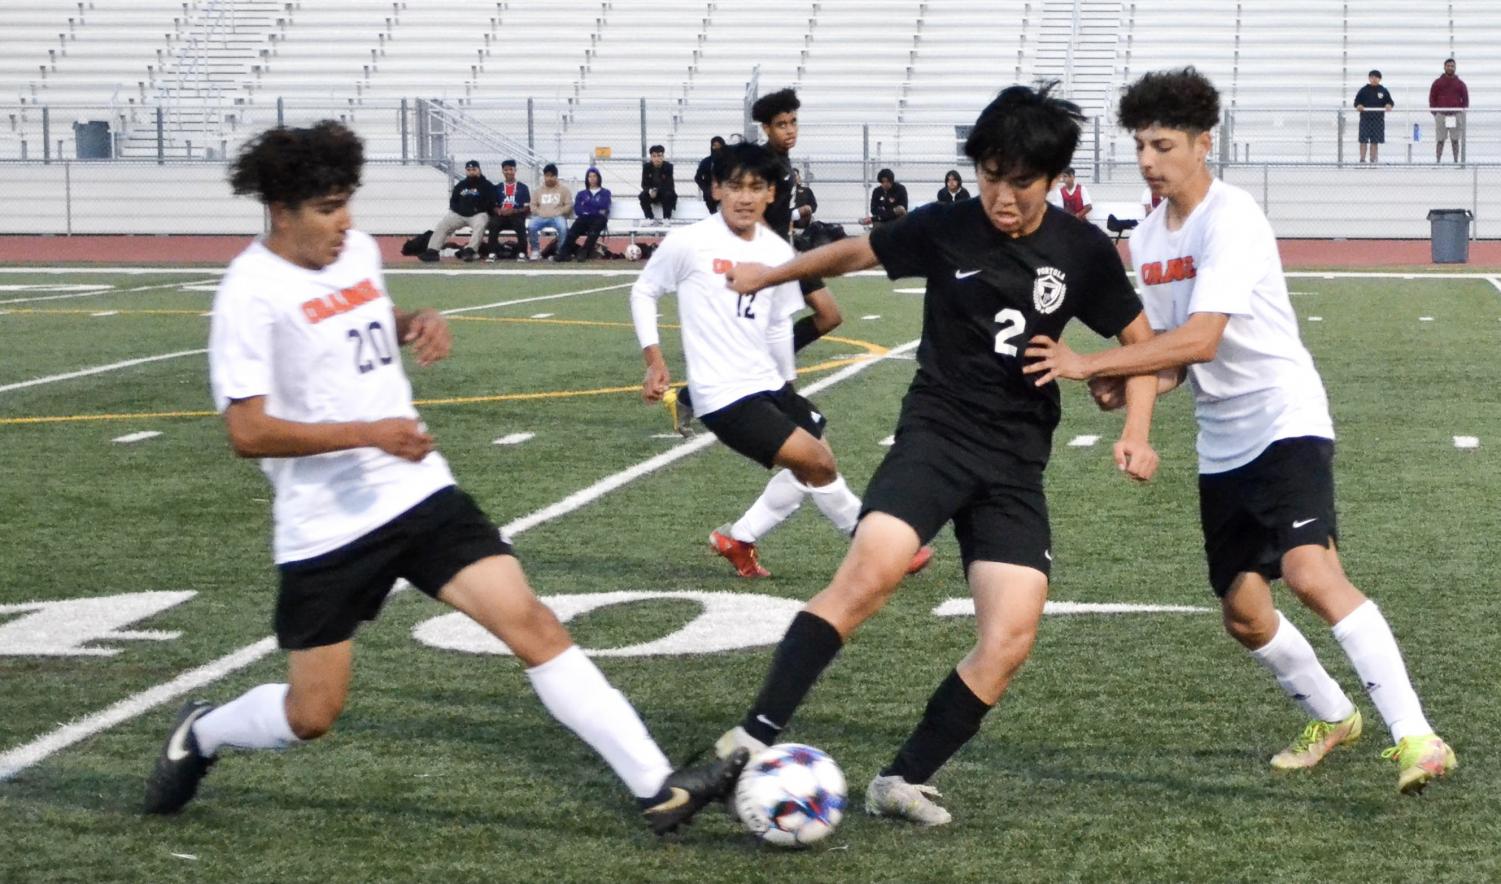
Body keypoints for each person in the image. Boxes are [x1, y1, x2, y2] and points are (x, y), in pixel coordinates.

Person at [143, 121, 747, 831]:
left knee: (529, 620)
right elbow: (247, 431)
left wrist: (412, 320)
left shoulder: (357, 251)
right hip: (327, 526)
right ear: (281, 210)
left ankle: (657, 787)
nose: (347, 222)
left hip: (417, 489)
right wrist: (367, 432)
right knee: (312, 715)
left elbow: (359, 317)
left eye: (348, 203)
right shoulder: (249, 293)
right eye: (328, 208)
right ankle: (204, 732)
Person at [716, 83, 1161, 825]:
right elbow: (857, 249)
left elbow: (1143, 351)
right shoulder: (949, 225)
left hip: (1015, 464)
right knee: (872, 570)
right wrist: (768, 274)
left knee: (1011, 635)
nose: (1002, 196)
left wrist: (1126, 415)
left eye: (1020, 182)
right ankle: (752, 734)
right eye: (990, 176)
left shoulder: (1081, 249)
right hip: (937, 437)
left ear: (1053, 181)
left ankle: (903, 779)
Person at [1023, 67, 1457, 795]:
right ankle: (1332, 716)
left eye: (1161, 144)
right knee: (1244, 613)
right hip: (1222, 437)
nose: (1147, 160)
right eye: (1139, 146)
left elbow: (1197, 338)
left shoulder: (1233, 217)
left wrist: (1088, 360)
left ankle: (1417, 736)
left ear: (1202, 143)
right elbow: (1168, 357)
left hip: (1283, 414)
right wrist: (1129, 406)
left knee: (1311, 572)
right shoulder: (1150, 234)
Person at [632, 142, 932, 580]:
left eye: (756, 187)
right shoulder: (689, 242)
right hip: (723, 393)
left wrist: (786, 386)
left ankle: (740, 537)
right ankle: (878, 546)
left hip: (767, 384)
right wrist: (654, 360)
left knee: (815, 462)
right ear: (716, 189)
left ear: (772, 194)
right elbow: (644, 291)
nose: (745, 197)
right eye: (734, 186)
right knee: (819, 464)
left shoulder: (775, 252)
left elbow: (776, 326)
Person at [667, 90, 843, 437]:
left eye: (793, 122)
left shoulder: (784, 161)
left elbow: (777, 215)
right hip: (767, 261)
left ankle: (690, 396)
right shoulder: (764, 164)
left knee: (829, 315)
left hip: (786, 256)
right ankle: (788, 413)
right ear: (766, 128)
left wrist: (794, 226)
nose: (789, 130)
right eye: (781, 124)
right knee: (773, 336)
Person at [420, 159, 494, 262]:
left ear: (479, 170)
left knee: (481, 223)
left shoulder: (487, 185)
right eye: (469, 169)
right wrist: (458, 210)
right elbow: (453, 201)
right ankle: (432, 251)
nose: (471, 171)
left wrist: (477, 209)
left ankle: (470, 250)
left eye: (474, 169)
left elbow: (490, 202)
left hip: (477, 214)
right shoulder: (461, 185)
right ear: (466, 171)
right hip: (460, 214)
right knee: (444, 224)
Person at [558, 167, 610, 262]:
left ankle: (584, 251)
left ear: (598, 177)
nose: (592, 179)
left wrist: (587, 206)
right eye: (589, 176)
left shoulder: (605, 193)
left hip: (599, 219)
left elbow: (604, 206)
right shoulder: (581, 194)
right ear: (587, 179)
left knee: (593, 231)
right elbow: (578, 209)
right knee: (572, 232)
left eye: (594, 176)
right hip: (584, 218)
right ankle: (563, 252)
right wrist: (594, 208)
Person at [483, 158, 531, 261]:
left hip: (516, 215)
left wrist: (514, 211)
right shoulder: (497, 188)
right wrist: (499, 211)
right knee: (493, 223)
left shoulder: (523, 188)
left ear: (515, 170)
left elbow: (527, 208)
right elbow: (493, 206)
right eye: (506, 170)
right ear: (502, 171)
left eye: (511, 169)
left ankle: (522, 252)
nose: (508, 172)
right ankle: (492, 252)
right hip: (502, 216)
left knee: (520, 224)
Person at [527, 162, 572, 261]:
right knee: (531, 226)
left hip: (557, 217)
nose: (549, 178)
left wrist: (560, 212)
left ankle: (560, 251)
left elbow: (569, 205)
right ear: (544, 176)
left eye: (552, 176)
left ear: (556, 176)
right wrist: (539, 212)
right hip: (541, 216)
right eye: (547, 176)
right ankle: (535, 250)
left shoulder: (564, 190)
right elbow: (532, 205)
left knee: (563, 227)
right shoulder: (538, 190)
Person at [1429, 58, 1468, 163]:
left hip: (1455, 115)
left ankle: (1456, 161)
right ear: (1444, 67)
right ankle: (1438, 161)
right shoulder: (1437, 83)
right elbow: (1432, 98)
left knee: (1455, 140)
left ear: (1455, 68)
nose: (1450, 67)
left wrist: (1461, 112)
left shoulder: (1460, 84)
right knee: (1440, 140)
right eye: (1448, 66)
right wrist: (1435, 112)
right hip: (1441, 115)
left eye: (1452, 66)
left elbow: (1465, 99)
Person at [1354, 70, 1394, 164]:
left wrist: (1388, 105)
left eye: (1376, 77)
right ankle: (1362, 160)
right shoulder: (1363, 90)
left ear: (1380, 79)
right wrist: (1359, 106)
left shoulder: (1383, 90)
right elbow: (1356, 102)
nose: (1374, 79)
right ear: (1369, 78)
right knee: (1363, 140)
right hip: (1365, 119)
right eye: (1372, 77)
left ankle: (1373, 160)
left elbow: (1390, 102)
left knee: (1374, 141)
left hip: (1378, 120)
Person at [639, 144, 677, 220]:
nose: (657, 158)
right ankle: (649, 219)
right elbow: (644, 184)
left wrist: (656, 191)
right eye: (654, 156)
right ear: (651, 157)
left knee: (668, 194)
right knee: (642, 196)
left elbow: (669, 185)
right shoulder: (646, 167)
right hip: (652, 193)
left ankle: (666, 219)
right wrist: (650, 191)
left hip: (664, 193)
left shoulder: (668, 167)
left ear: (663, 156)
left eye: (659, 156)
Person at [694, 135, 726, 213]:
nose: (717, 148)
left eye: (719, 146)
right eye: (714, 146)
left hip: (725, 189)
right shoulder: (706, 161)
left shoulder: (729, 161)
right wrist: (705, 189)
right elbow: (697, 177)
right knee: (709, 196)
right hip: (710, 190)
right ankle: (714, 217)